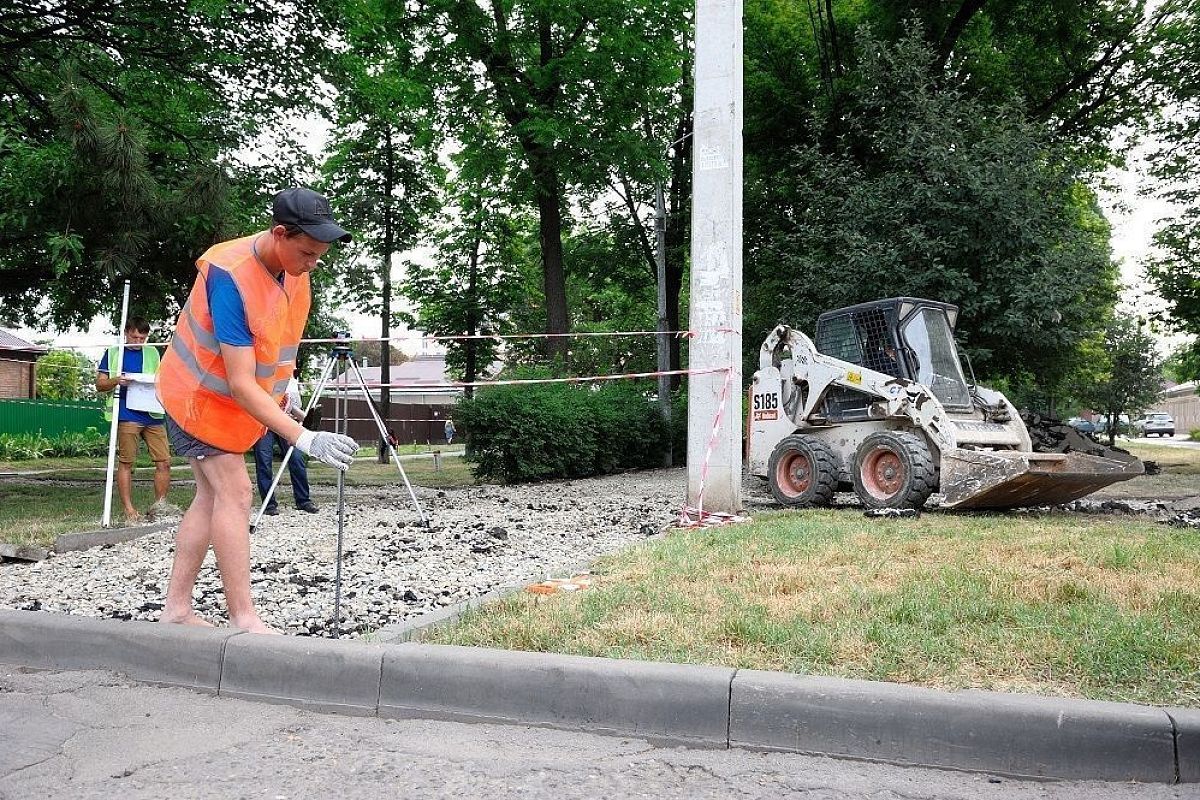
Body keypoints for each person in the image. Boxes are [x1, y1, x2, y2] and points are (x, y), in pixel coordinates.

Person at [156, 187, 359, 633]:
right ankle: (244, 619)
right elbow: (241, 382)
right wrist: (304, 437)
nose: (313, 263)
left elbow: (282, 344)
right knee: (237, 493)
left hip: (227, 403)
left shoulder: (296, 272)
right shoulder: (229, 276)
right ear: (280, 233)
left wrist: (285, 390)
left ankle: (176, 609)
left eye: (319, 255)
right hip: (196, 398)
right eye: (307, 252)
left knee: (210, 497)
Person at [96, 317, 173, 524]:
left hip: (153, 414)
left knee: (164, 462)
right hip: (127, 415)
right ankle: (129, 509)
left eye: (143, 338)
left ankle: (160, 507)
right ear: (126, 333)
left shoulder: (153, 352)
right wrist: (117, 380)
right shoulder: (113, 352)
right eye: (134, 337)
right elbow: (100, 384)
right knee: (127, 462)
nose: (138, 342)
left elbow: (162, 378)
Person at [254, 371, 317, 515]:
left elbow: (293, 407)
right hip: (263, 422)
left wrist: (306, 419)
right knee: (264, 462)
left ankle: (304, 501)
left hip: (285, 422)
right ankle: (269, 505)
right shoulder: (261, 373)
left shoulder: (290, 379)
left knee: (296, 459)